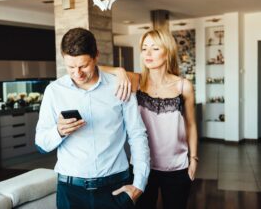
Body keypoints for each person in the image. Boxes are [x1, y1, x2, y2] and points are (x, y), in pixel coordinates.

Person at [35, 27, 150, 209]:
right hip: (70, 192)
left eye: (83, 66)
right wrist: (58, 131)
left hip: (115, 189)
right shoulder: (54, 91)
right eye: (71, 67)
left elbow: (137, 134)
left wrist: (139, 184)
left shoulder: (119, 86)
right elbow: (41, 144)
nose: (77, 73)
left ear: (96, 56)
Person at [100, 29, 198, 209]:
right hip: (142, 167)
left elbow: (191, 124)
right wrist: (119, 70)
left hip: (177, 167)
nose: (148, 53)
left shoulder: (184, 86)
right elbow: (94, 68)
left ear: (167, 51)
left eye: (154, 48)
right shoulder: (136, 81)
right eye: (144, 49)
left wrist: (193, 159)